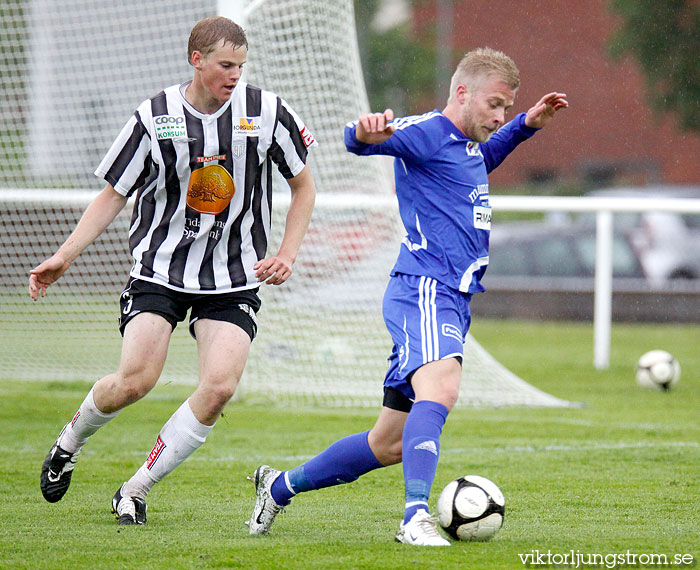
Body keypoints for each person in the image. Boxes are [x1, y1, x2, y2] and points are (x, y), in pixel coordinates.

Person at [247, 47, 567, 546]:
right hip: (424, 289)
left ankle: (280, 486)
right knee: (442, 388)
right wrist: (362, 133)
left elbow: (481, 156)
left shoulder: (463, 145)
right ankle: (414, 518)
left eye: (507, 107)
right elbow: (362, 141)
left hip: (453, 298)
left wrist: (526, 124)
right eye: (495, 104)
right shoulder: (424, 132)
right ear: (462, 93)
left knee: (388, 443)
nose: (499, 115)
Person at [29, 16, 317, 525]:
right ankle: (70, 440)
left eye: (241, 66)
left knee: (220, 386)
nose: (235, 75)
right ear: (196, 60)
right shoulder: (154, 115)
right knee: (136, 380)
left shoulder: (268, 112)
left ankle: (135, 490)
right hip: (160, 268)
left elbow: (302, 186)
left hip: (232, 274)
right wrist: (64, 254)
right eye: (225, 65)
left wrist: (288, 253)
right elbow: (113, 194)